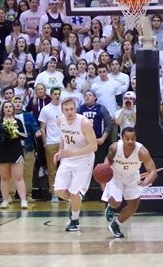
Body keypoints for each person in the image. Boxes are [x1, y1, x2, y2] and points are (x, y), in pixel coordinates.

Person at [101, 127, 158, 238]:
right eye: (127, 139)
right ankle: (111, 207)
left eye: (133, 139)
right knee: (116, 201)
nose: (130, 141)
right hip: (115, 175)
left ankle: (115, 224)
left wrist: (147, 180)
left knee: (134, 205)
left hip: (132, 176)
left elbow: (153, 171)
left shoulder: (142, 151)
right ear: (122, 138)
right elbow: (107, 161)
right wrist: (104, 171)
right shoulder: (114, 148)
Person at [54, 98, 98, 232]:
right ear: (62, 110)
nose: (69, 112)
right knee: (59, 191)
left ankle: (75, 220)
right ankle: (75, 202)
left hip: (84, 158)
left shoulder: (84, 123)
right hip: (68, 158)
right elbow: (63, 137)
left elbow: (94, 146)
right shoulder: (60, 121)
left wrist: (74, 153)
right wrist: (60, 151)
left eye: (71, 109)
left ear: (76, 109)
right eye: (66, 110)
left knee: (74, 191)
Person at [0, 100, 29, 209]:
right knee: (4, 178)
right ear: (2, 109)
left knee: (18, 177)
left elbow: (25, 135)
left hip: (15, 151)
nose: (8, 108)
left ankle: (23, 200)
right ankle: (5, 200)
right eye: (6, 107)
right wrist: (3, 133)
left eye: (10, 107)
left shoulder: (18, 122)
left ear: (13, 109)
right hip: (1, 152)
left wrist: (15, 132)